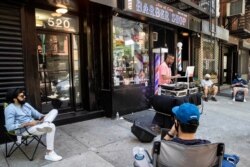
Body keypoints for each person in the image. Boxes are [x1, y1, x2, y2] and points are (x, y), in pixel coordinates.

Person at [4, 88, 62, 162]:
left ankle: (46, 123)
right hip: (25, 129)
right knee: (52, 126)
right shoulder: (10, 109)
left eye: (24, 95)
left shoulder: (26, 105)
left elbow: (38, 115)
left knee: (54, 111)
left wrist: (44, 116)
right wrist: (28, 123)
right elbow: (9, 127)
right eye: (22, 96)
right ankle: (49, 153)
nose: (24, 97)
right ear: (14, 99)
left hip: (37, 124)